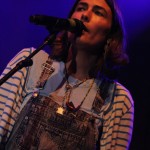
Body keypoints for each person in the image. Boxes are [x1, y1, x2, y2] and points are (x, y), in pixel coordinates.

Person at [0, 0, 134, 149]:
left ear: (111, 34)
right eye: (81, 8)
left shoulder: (117, 99)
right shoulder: (31, 61)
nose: (85, 15)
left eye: (98, 12)